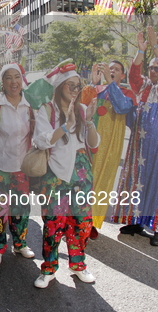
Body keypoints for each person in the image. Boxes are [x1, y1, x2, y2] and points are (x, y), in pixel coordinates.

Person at [32, 64, 99, 288]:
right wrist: (66, 125)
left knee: (81, 223)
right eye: (71, 85)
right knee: (53, 224)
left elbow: (94, 144)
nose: (74, 89)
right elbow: (40, 141)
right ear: (60, 86)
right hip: (55, 174)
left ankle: (78, 264)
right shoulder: (48, 110)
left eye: (77, 86)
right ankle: (49, 268)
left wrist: (88, 120)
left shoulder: (81, 108)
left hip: (81, 173)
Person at [0, 64, 35, 266]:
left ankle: (19, 244)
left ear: (22, 79)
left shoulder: (31, 105)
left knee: (21, 209)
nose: (13, 82)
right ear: (2, 82)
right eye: (8, 78)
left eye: (16, 77)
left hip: (22, 168)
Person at [80, 61, 135, 238]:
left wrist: (109, 84)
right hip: (92, 142)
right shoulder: (98, 89)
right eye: (110, 69)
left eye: (116, 69)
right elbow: (81, 105)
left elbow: (122, 107)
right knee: (84, 180)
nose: (112, 71)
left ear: (123, 76)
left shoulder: (127, 94)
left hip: (111, 146)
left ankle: (93, 222)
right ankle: (79, 220)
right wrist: (93, 84)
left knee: (103, 182)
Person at [114, 26, 158, 246]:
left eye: (157, 69)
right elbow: (133, 74)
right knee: (136, 182)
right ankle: (136, 221)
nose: (153, 71)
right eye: (151, 68)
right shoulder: (143, 87)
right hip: (139, 149)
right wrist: (142, 51)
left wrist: (155, 45)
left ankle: (156, 228)